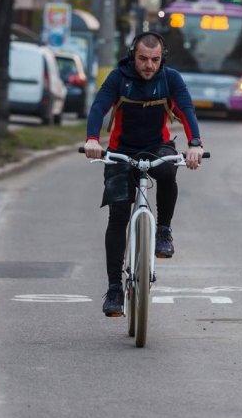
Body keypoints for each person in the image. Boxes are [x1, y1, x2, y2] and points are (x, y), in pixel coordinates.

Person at [83, 31, 204, 317]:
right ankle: (114, 290)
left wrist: (195, 144)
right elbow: (100, 106)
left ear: (162, 58)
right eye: (143, 59)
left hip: (156, 147)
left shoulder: (170, 79)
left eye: (155, 59)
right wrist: (91, 139)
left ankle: (163, 230)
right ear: (132, 55)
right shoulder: (119, 78)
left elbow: (186, 109)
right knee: (118, 215)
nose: (149, 65)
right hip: (120, 151)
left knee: (168, 169)